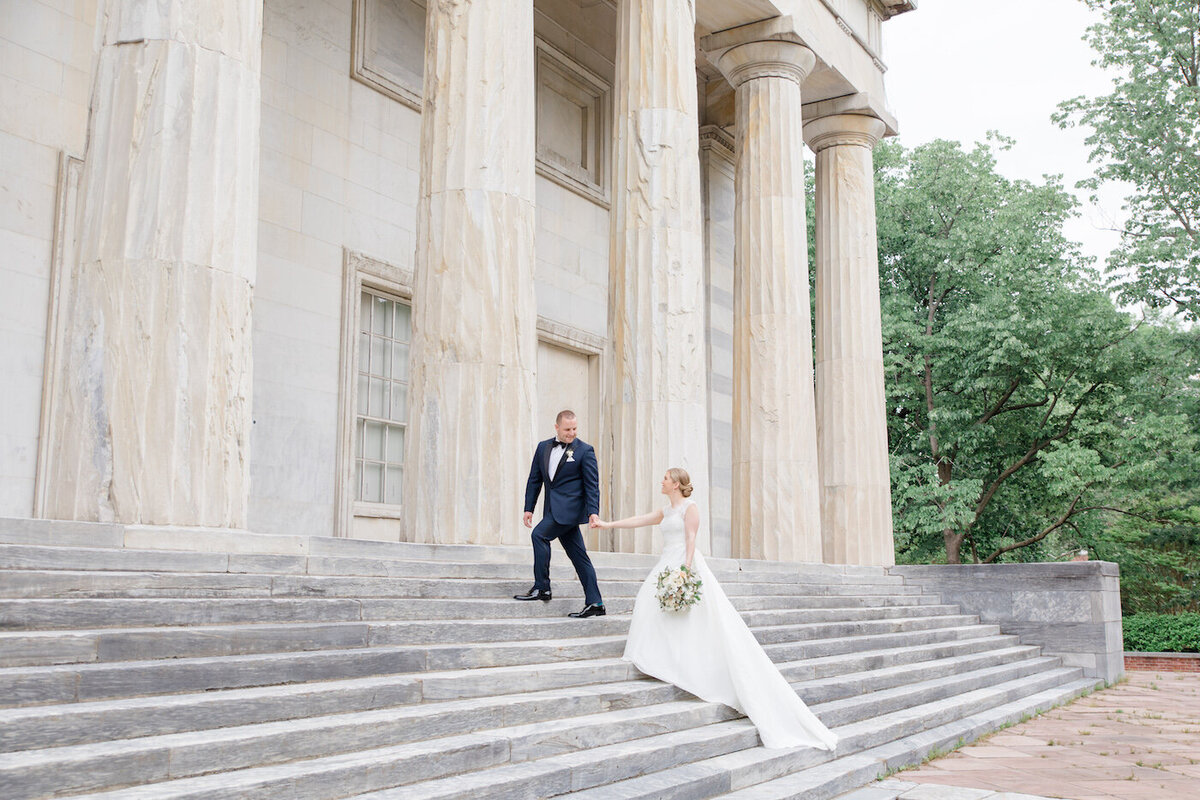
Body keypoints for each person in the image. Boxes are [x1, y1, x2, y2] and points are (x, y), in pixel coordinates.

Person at [590, 468, 838, 750]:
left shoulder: (689, 508)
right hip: (666, 561)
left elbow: (691, 539)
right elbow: (640, 520)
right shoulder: (666, 510)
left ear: (676, 484)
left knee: (688, 615)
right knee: (647, 599)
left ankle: (677, 660)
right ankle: (655, 655)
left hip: (684, 563)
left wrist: (685, 570)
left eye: (665, 479)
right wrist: (607, 525)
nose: (661, 481)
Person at [516, 410, 605, 618]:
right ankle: (596, 603)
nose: (571, 433)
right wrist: (529, 508)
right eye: (567, 429)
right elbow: (534, 479)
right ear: (557, 427)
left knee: (539, 535)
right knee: (579, 556)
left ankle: (542, 588)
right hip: (553, 509)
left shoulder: (585, 451)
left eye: (574, 428)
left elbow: (592, 486)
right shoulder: (543, 447)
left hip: (570, 510)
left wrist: (593, 513)